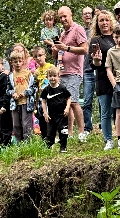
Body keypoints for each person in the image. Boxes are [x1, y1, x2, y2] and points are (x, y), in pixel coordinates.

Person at [53, 6, 89, 141]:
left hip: (74, 72)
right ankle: (69, 132)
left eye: (64, 16)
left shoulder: (78, 29)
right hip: (62, 72)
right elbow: (56, 55)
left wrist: (66, 48)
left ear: (71, 15)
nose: (63, 19)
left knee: (73, 101)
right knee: (64, 104)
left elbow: (85, 49)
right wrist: (55, 48)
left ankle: (82, 132)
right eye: (60, 17)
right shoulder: (63, 34)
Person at [90, 9, 119, 150]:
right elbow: (94, 64)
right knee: (106, 111)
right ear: (97, 23)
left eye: (107, 19)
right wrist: (96, 61)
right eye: (101, 20)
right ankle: (108, 139)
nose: (104, 22)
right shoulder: (96, 40)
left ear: (111, 21)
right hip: (103, 79)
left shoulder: (117, 37)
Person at [8, 50, 37, 143]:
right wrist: (13, 93)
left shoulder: (28, 74)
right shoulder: (11, 76)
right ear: (11, 62)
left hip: (26, 102)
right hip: (15, 104)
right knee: (16, 125)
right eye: (15, 61)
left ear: (23, 61)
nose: (17, 63)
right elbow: (7, 89)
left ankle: (28, 144)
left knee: (26, 124)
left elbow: (34, 87)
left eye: (19, 61)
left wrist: (26, 93)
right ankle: (19, 144)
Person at [41, 65, 72, 152]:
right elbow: (43, 101)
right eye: (50, 76)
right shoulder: (46, 90)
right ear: (47, 77)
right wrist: (45, 113)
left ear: (58, 77)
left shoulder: (62, 88)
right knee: (50, 133)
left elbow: (69, 98)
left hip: (62, 115)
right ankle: (48, 148)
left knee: (63, 131)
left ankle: (63, 147)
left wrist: (67, 108)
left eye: (54, 76)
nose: (52, 78)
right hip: (51, 116)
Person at [32, 46, 54, 140]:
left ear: (45, 55)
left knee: (50, 117)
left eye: (40, 55)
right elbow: (36, 88)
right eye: (36, 56)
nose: (38, 58)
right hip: (41, 99)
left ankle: (51, 138)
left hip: (52, 97)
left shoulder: (51, 67)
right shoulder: (36, 72)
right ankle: (44, 138)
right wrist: (36, 103)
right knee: (41, 118)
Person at [81, 6, 97, 135]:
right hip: (86, 69)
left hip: (99, 69)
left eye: (89, 13)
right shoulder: (80, 31)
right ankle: (87, 127)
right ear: (82, 17)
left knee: (104, 100)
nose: (87, 15)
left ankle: (105, 125)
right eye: (85, 14)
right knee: (87, 100)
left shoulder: (96, 30)